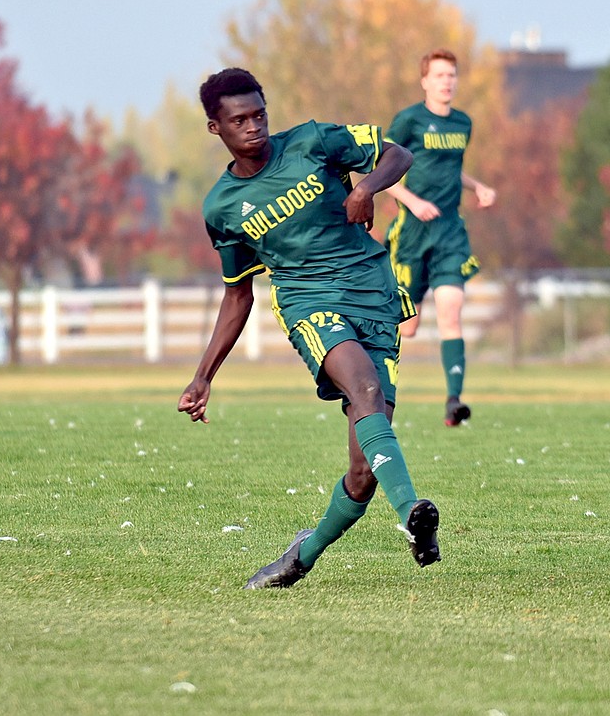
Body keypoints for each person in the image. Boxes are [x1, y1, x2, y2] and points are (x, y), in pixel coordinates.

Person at [178, 67, 439, 589]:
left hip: (373, 292)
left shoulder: (314, 141)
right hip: (308, 302)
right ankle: (413, 513)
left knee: (364, 472)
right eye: (239, 120)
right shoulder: (222, 208)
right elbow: (237, 294)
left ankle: (300, 556)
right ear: (216, 128)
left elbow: (400, 154)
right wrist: (203, 375)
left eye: (259, 114)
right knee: (363, 388)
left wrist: (366, 186)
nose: (253, 126)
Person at [384, 48, 497, 427]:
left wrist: (478, 187)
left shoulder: (463, 123)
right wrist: (413, 202)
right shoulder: (409, 121)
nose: (447, 82)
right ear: (425, 81)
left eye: (452, 75)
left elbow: (452, 171)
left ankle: (453, 401)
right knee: (408, 326)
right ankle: (377, 392)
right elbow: (379, 170)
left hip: (450, 231)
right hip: (413, 233)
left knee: (451, 311)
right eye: (439, 75)